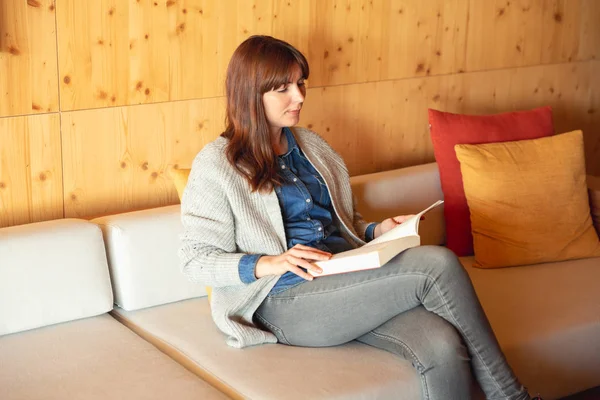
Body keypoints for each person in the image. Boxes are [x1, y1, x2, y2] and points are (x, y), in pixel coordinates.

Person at [179, 35, 539, 400]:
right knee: (436, 263)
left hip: (347, 278)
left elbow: (341, 221)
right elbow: (195, 260)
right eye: (283, 88)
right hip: (284, 299)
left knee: (442, 344)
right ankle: (513, 397)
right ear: (251, 94)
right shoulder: (217, 163)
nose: (300, 97)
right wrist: (272, 262)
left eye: (300, 83)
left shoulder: (311, 146)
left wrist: (375, 229)